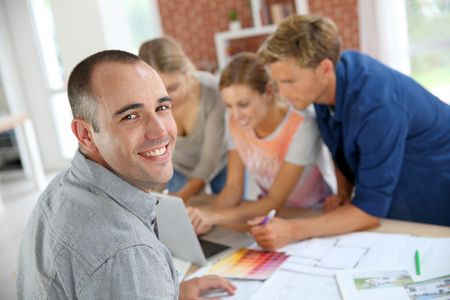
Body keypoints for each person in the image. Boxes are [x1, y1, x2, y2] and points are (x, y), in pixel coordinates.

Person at [16, 50, 236, 299]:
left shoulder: (62, 187)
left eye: (162, 107)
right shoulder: (127, 253)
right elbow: (123, 265)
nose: (160, 130)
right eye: (131, 116)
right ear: (86, 134)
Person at [248, 13, 450, 251]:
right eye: (278, 81)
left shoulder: (377, 106)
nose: (282, 92)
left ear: (324, 68)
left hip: (436, 182)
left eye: (290, 81)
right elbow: (339, 140)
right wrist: (344, 192)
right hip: (402, 181)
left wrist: (293, 230)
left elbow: (371, 209)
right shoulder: (328, 80)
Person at [188, 52, 336, 235]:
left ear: (268, 92)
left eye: (243, 104)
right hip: (267, 213)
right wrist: (205, 217)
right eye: (228, 105)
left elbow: (275, 200)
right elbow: (233, 187)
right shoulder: (235, 121)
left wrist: (214, 217)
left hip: (311, 214)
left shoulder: (301, 125)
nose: (235, 115)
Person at [139, 37, 227, 202]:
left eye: (173, 88)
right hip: (178, 167)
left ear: (186, 71)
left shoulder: (212, 92)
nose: (167, 99)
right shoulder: (142, 102)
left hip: (219, 163)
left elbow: (209, 161)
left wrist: (180, 199)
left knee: (226, 212)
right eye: (159, 91)